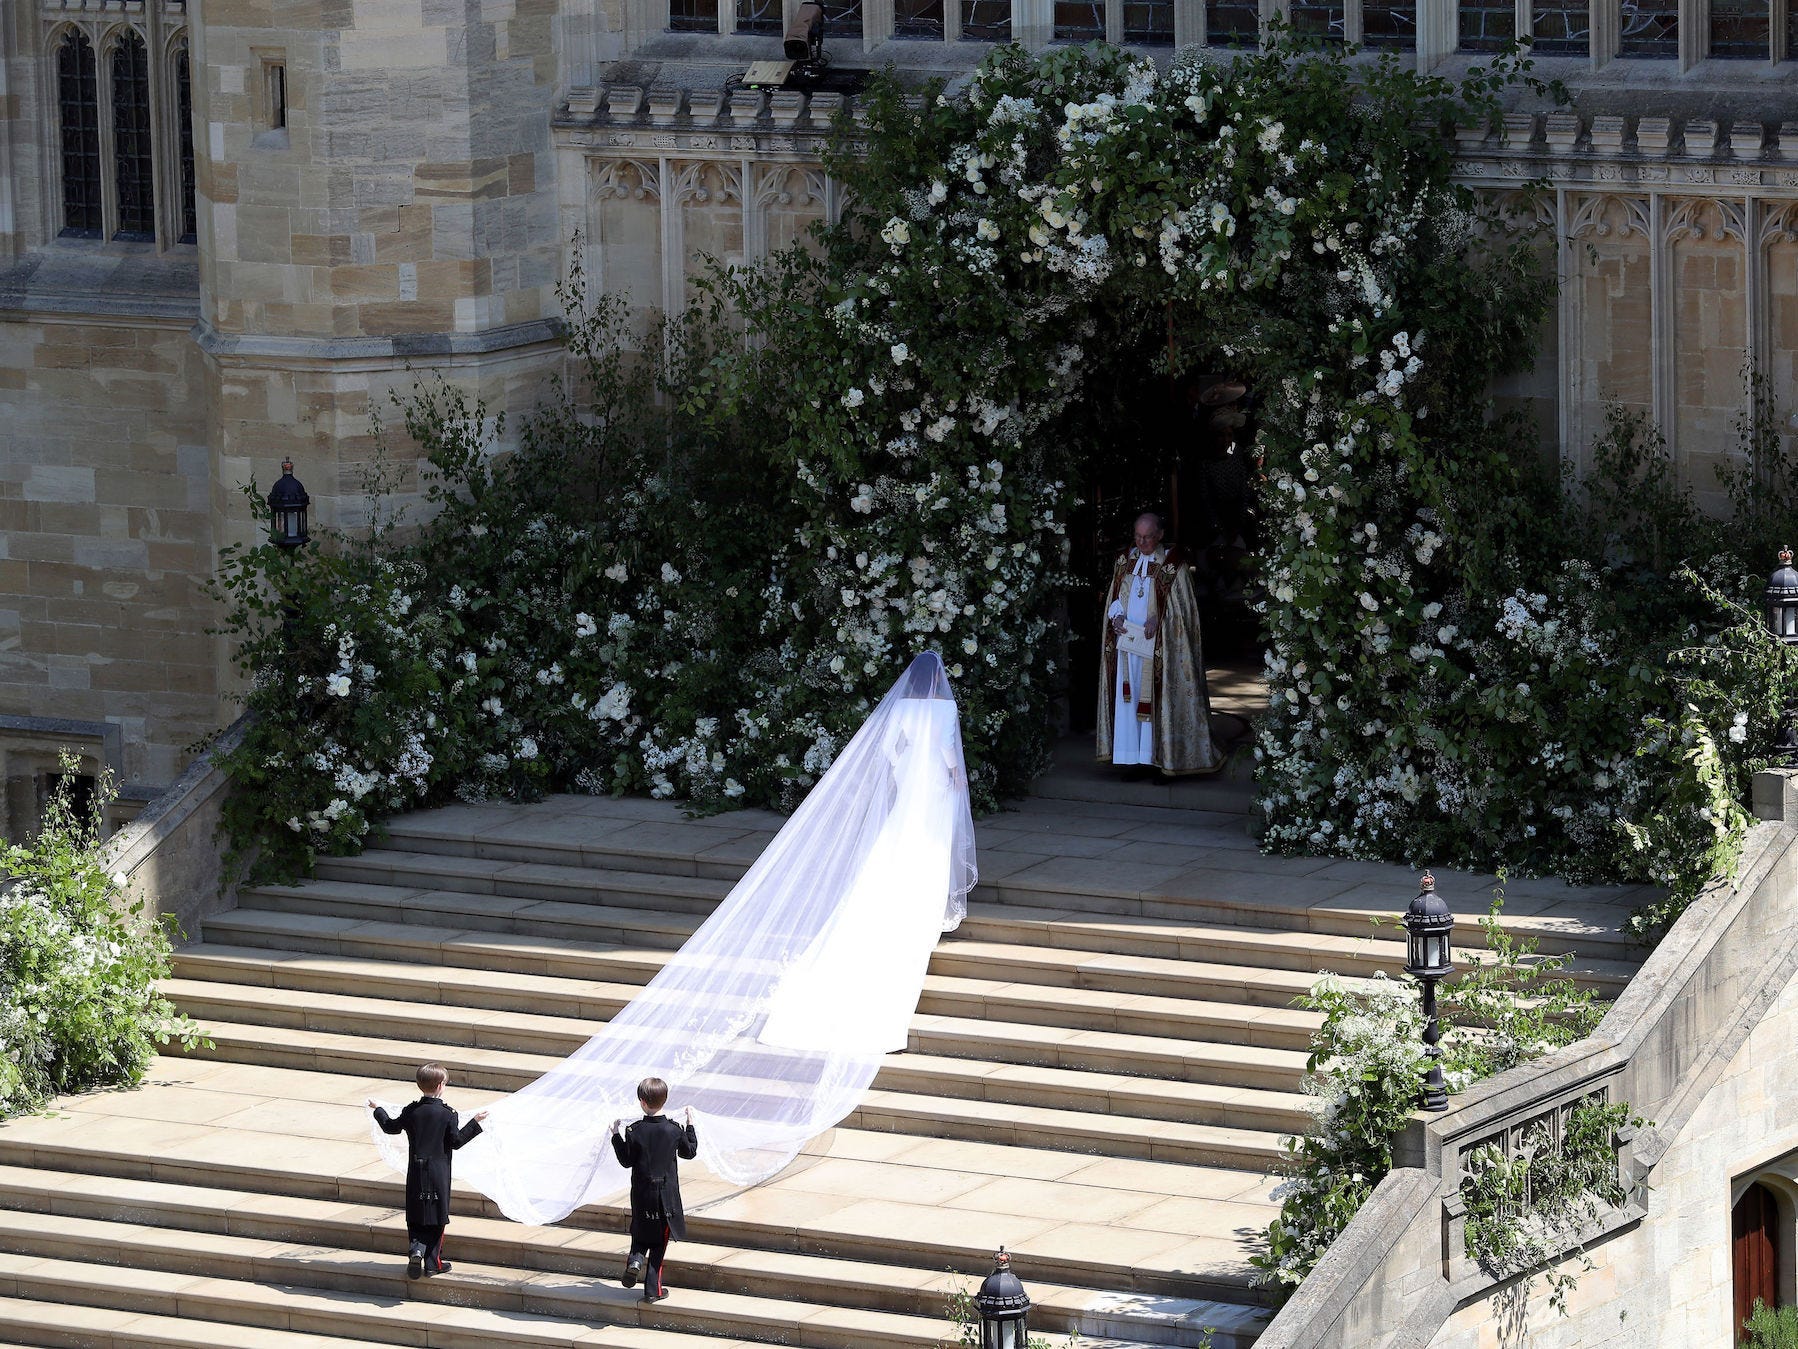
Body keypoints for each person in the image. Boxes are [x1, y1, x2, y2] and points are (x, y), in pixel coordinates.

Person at [1097, 511, 1223, 776]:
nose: (1142, 543)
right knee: (1127, 700)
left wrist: (1160, 619)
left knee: (1159, 700)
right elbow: (1116, 596)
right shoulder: (1124, 560)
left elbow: (1183, 613)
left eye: (1148, 537)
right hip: (1128, 647)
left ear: (1161, 535)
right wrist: (1116, 616)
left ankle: (1161, 761)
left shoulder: (1173, 564)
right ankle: (1131, 760)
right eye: (1138, 536)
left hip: (1161, 648)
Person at [368, 1064, 487, 1279]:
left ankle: (416, 1249)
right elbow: (456, 1141)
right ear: (441, 1085)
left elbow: (390, 1127)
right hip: (438, 1173)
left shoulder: (411, 1111)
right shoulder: (448, 1114)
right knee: (437, 1215)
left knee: (416, 1212)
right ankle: (433, 1263)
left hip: (416, 1171)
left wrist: (378, 1109)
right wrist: (475, 1123)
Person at [611, 1076, 699, 1304]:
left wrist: (615, 1136)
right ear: (665, 1099)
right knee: (660, 1242)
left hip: (641, 1194)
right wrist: (690, 1125)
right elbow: (689, 1152)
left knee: (640, 1230)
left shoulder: (634, 1130)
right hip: (666, 1197)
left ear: (642, 1101)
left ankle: (635, 1260)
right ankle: (653, 1289)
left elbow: (626, 1160)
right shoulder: (674, 1129)